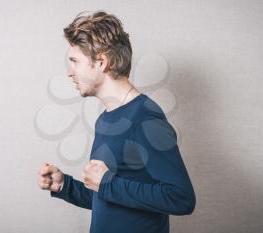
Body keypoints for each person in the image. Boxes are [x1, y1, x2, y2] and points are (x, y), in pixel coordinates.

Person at [38, 10, 196, 233]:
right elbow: (110, 198)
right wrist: (65, 185)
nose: (69, 72)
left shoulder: (145, 119)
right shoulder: (106, 120)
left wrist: (106, 183)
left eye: (75, 61)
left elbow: (181, 199)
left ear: (101, 62)